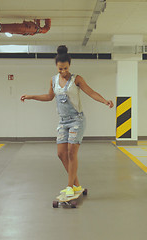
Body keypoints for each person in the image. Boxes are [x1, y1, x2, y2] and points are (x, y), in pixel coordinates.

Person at [21, 45, 114, 197]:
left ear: (69, 65)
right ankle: (77, 185)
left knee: (71, 153)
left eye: (65, 68)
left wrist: (104, 101)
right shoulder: (53, 80)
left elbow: (90, 92)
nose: (63, 72)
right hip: (63, 122)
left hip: (77, 120)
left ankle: (69, 186)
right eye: (60, 69)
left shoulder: (76, 79)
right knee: (61, 154)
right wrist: (31, 96)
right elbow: (49, 97)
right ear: (56, 67)